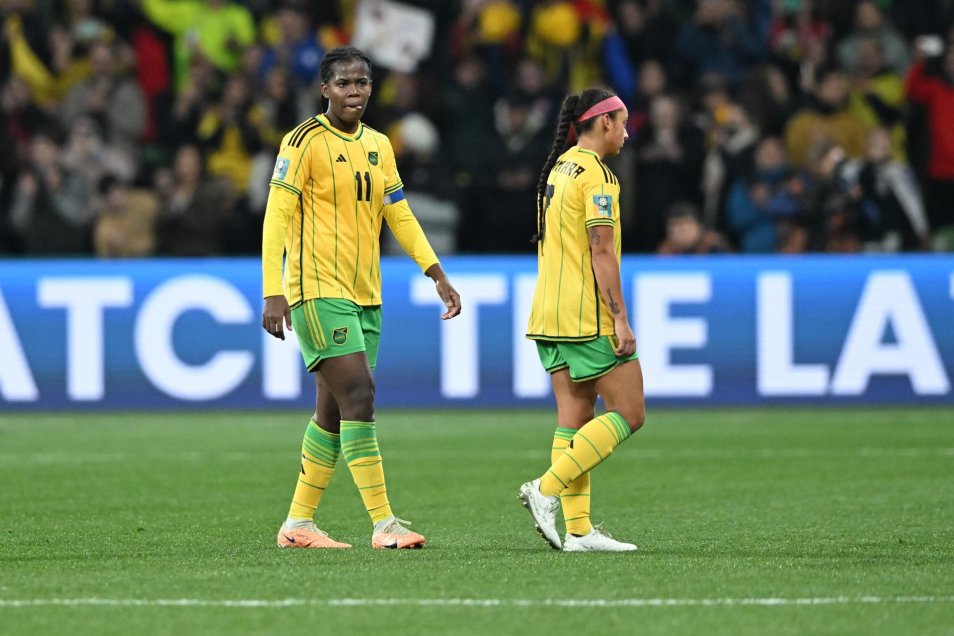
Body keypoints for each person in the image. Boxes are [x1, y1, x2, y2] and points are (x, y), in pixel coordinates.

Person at [261, 47, 461, 550]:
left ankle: (298, 524)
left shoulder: (379, 144)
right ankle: (384, 523)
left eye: (363, 82)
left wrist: (435, 272)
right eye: (345, 83)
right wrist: (273, 290)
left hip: (365, 294)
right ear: (324, 89)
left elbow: (399, 214)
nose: (356, 92)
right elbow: (276, 218)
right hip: (316, 290)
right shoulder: (303, 142)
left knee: (332, 413)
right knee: (360, 396)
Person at [518, 87, 645, 552]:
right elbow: (602, 250)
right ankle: (545, 490)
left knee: (573, 418)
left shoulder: (560, 165)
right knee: (630, 413)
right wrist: (620, 319)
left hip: (547, 312)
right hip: (585, 316)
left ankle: (577, 531)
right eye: (624, 122)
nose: (628, 132)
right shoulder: (597, 177)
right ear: (604, 122)